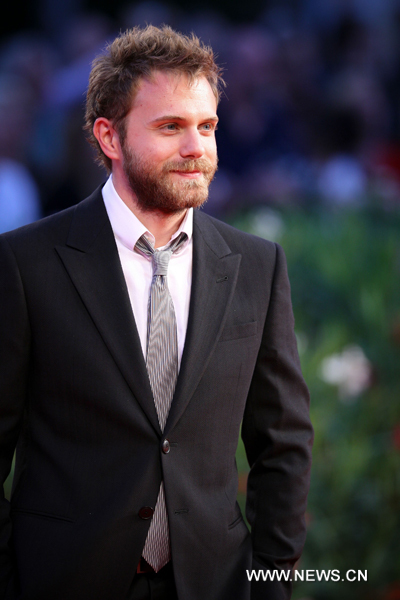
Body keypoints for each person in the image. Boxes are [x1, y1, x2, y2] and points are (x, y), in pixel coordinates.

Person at [0, 25, 313, 600]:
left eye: (207, 126)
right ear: (110, 138)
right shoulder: (25, 264)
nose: (197, 147)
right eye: (171, 127)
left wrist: (271, 586)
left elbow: (282, 444)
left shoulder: (256, 265)